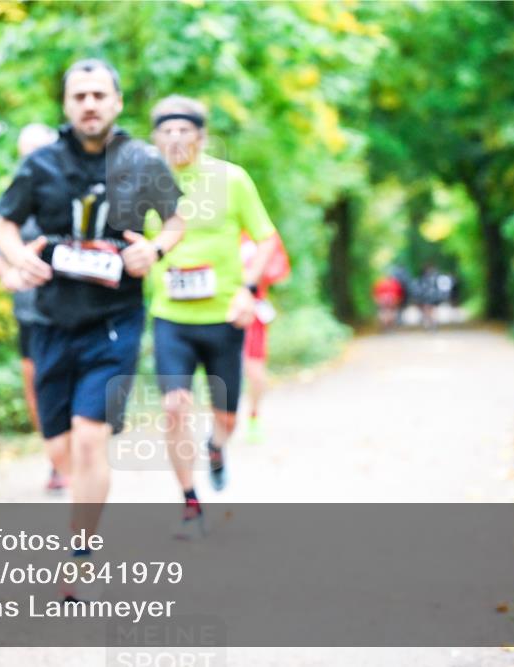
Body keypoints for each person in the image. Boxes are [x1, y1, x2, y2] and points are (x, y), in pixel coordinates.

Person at [0, 59, 183, 599]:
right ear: (67, 105)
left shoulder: (142, 161)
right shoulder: (42, 164)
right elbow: (4, 222)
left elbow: (175, 220)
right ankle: (79, 504)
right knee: (60, 447)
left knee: (91, 440)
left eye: (100, 95)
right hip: (52, 321)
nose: (90, 104)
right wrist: (16, 260)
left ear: (118, 103)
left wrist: (155, 248)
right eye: (80, 96)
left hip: (114, 323)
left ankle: (79, 553)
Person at [145, 95, 279, 533]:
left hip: (225, 315)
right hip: (171, 317)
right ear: (155, 138)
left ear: (202, 137)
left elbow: (265, 239)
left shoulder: (232, 179)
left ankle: (217, 446)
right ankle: (189, 503)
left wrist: (247, 290)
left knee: (227, 417)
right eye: (167, 130)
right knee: (173, 408)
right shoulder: (143, 183)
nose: (176, 138)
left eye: (185, 130)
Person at [0, 123, 66, 493]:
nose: (32, 159)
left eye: (39, 151)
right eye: (26, 152)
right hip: (30, 310)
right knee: (37, 386)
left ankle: (77, 448)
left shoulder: (71, 191)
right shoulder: (12, 198)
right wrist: (9, 272)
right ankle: (56, 460)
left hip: (72, 308)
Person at [241, 230, 291, 444]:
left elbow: (279, 270)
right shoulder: (220, 229)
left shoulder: (262, 234)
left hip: (254, 314)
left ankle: (253, 415)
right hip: (219, 311)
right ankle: (223, 419)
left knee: (256, 374)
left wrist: (255, 273)